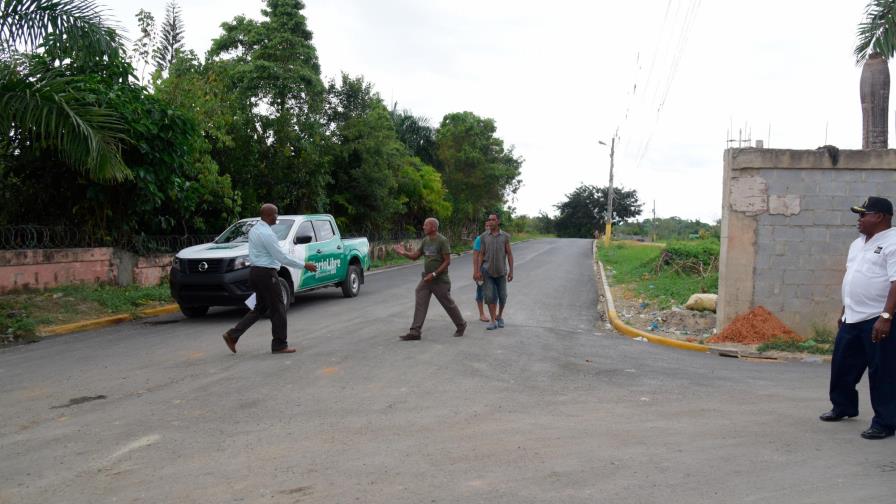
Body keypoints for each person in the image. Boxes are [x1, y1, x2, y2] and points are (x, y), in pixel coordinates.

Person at [820, 196, 896, 440]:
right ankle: (843, 407)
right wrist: (844, 310)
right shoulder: (857, 244)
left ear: (881, 217)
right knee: (842, 367)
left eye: (864, 214)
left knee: (882, 373)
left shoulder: (893, 242)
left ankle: (885, 422)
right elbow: (852, 278)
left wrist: (886, 316)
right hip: (852, 317)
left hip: (877, 318)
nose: (859, 219)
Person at [222, 204, 318, 354]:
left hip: (255, 272)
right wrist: (304, 264)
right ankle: (279, 344)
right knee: (279, 309)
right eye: (275, 214)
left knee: (260, 308)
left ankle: (232, 335)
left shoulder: (255, 230)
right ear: (268, 215)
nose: (277, 217)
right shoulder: (267, 234)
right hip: (266, 274)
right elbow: (282, 257)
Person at [393, 217, 467, 340]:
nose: (423, 227)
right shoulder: (425, 240)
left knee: (447, 303)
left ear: (433, 227)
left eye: (426, 225)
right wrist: (403, 252)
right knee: (420, 297)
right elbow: (415, 256)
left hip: (439, 280)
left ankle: (461, 325)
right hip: (426, 279)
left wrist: (434, 274)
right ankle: (415, 331)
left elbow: (447, 261)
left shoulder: (442, 241)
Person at [474, 214, 514, 330]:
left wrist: (511, 271)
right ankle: (492, 320)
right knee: (490, 297)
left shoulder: (505, 236)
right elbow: (481, 254)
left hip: (501, 272)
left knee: (503, 296)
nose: (490, 222)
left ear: (498, 221)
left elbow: (509, 254)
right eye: (489, 220)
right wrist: (478, 271)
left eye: (493, 220)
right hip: (487, 272)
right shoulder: (484, 237)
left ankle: (499, 316)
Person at [472, 221, 490, 322]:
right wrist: (476, 271)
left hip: (493, 270)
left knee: (493, 292)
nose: (488, 227)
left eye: (489, 225)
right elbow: (475, 256)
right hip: (481, 269)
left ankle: (493, 313)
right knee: (480, 292)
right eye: (486, 225)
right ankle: (481, 314)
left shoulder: (495, 238)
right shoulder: (479, 239)